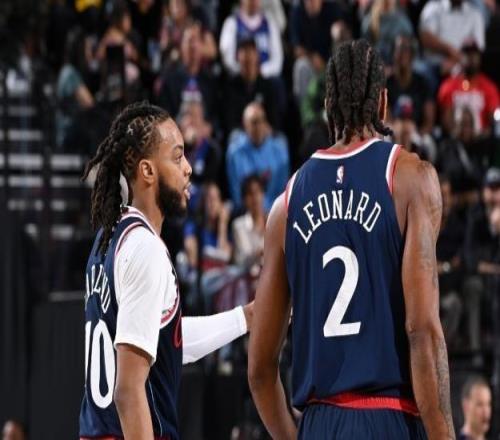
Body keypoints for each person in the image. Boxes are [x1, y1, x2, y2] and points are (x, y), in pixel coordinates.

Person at [248, 40, 454, 439]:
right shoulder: (409, 178)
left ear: (328, 107)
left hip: (319, 421)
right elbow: (422, 330)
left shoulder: (286, 203)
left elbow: (259, 370)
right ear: (383, 103)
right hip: (388, 416)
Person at [78, 102, 253, 439]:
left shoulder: (108, 238)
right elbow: (128, 390)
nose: (188, 168)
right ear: (147, 171)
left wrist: (244, 319)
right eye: (177, 157)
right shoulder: (145, 248)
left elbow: (163, 340)